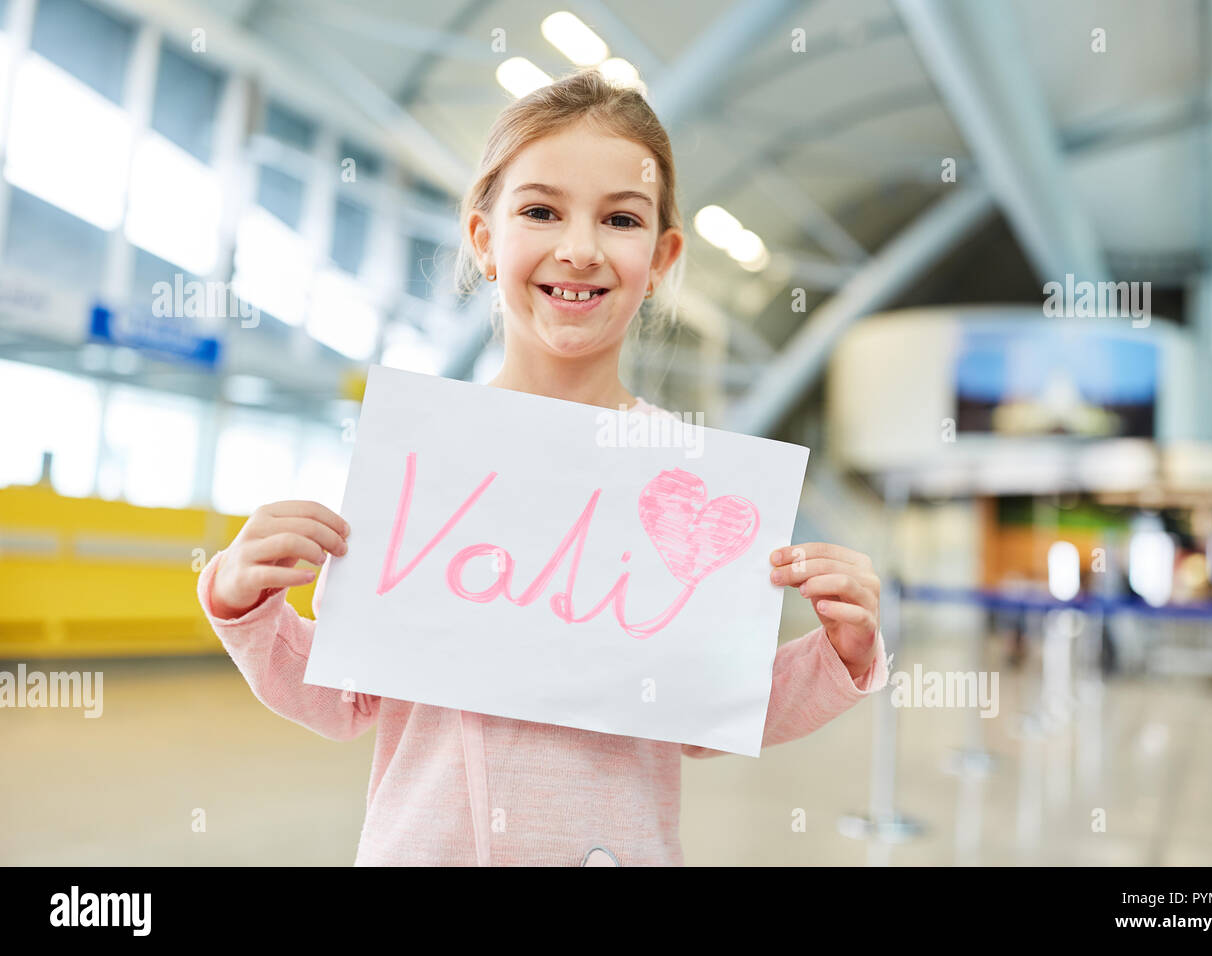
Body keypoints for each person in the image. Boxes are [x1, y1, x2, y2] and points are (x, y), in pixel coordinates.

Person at [197, 69, 889, 866]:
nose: (580, 249)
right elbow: (343, 699)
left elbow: (710, 715)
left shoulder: (690, 485)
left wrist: (837, 654)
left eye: (621, 219)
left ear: (661, 258)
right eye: (540, 210)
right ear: (485, 239)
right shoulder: (420, 461)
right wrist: (247, 608)